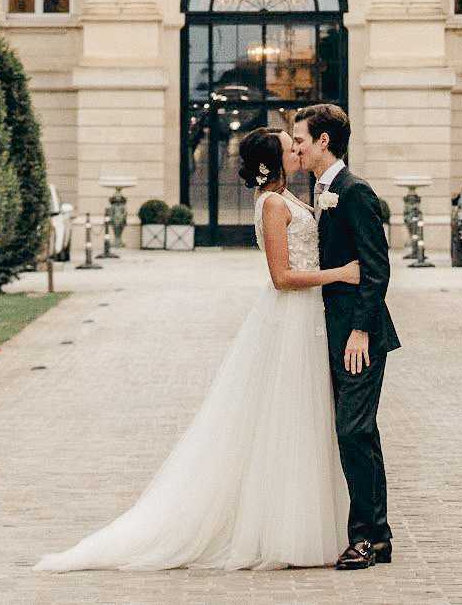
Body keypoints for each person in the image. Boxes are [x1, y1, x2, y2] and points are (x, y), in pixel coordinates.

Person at [33, 129, 357, 572]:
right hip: (291, 319)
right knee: (287, 418)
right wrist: (340, 274)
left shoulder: (290, 197)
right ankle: (284, 532)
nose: (297, 149)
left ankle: (303, 522)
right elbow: (281, 276)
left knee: (302, 418)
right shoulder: (275, 204)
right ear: (273, 160)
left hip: (307, 319)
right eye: (289, 146)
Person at [288, 102, 400, 571]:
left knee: (353, 431)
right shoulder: (321, 190)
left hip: (360, 337)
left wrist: (359, 330)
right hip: (331, 330)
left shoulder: (354, 191)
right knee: (357, 433)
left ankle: (365, 539)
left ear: (323, 141)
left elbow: (376, 269)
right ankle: (379, 536)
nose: (295, 147)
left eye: (300, 140)